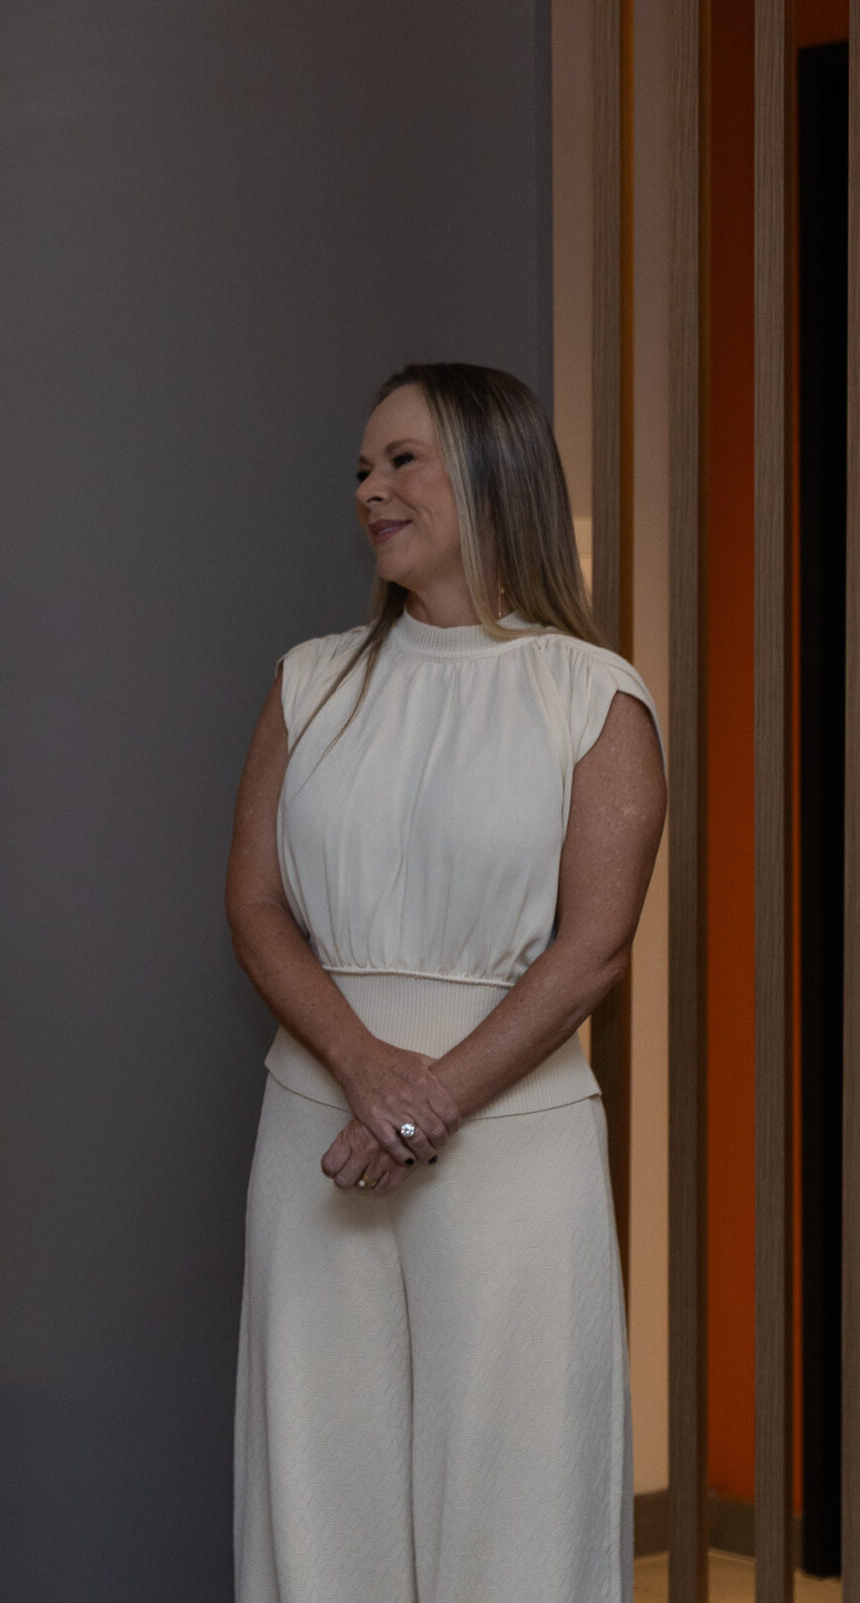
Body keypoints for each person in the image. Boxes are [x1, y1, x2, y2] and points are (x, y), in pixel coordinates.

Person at [225, 365, 661, 1603]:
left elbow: (593, 948)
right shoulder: (309, 680)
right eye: (362, 469)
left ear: (491, 471)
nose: (370, 489)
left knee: (514, 1498)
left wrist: (427, 1102)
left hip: (512, 1149)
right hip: (317, 1132)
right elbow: (254, 909)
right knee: (319, 1484)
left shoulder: (592, 693)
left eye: (401, 461)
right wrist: (366, 1075)